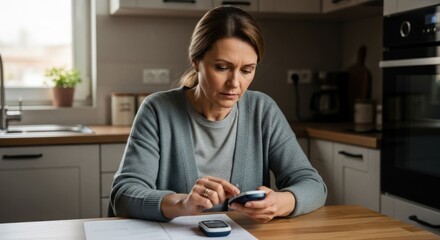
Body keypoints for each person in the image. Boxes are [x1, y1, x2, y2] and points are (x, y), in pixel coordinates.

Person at [109, 5, 327, 223]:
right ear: (196, 61)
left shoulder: (263, 110)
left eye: (247, 70)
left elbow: (313, 185)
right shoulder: (157, 110)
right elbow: (124, 194)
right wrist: (182, 204)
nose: (235, 83)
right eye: (222, 67)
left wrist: (279, 203)